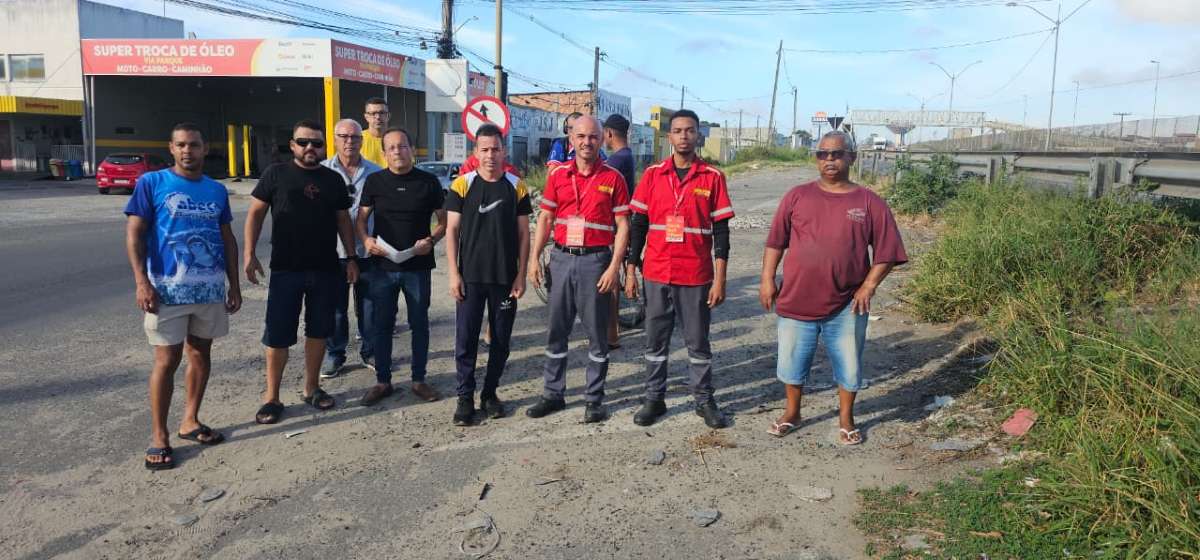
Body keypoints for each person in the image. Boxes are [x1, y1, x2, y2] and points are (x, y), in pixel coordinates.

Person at [759, 131, 908, 445]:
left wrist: (868, 286)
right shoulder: (797, 196)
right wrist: (767, 278)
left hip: (846, 303)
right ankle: (792, 412)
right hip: (796, 298)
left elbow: (888, 252)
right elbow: (776, 242)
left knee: (850, 363)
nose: (829, 160)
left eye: (837, 153)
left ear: (851, 157)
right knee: (791, 362)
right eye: (822, 154)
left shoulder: (869, 202)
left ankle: (846, 418)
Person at [124, 123, 241, 470]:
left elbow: (227, 238)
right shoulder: (152, 183)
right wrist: (141, 282)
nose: (188, 151)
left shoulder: (217, 191)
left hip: (208, 290)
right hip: (166, 290)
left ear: (205, 149)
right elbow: (135, 234)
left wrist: (233, 285)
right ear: (171, 149)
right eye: (181, 145)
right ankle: (159, 436)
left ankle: (190, 420)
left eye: (194, 144)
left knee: (201, 354)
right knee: (166, 360)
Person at [626, 109, 735, 429]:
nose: (684, 136)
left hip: (696, 275)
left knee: (698, 342)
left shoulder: (712, 177)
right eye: (677, 130)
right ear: (669, 136)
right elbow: (638, 225)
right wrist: (631, 269)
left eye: (690, 130)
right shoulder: (652, 175)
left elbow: (721, 233)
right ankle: (654, 398)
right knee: (654, 342)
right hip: (657, 272)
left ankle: (703, 400)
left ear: (698, 135)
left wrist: (720, 279)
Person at [244, 120, 358, 424]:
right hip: (285, 269)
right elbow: (255, 213)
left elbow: (343, 220)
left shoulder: (333, 180)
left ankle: (312, 388)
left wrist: (350, 257)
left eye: (317, 143)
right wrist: (249, 253)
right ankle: (272, 397)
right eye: (303, 142)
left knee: (319, 331)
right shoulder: (275, 174)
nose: (310, 148)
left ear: (324, 147)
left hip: (325, 268)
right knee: (278, 335)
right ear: (292, 145)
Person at [526, 115, 631, 423]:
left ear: (602, 139)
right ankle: (552, 394)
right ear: (571, 139)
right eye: (581, 136)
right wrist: (534, 259)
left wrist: (615, 267)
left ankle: (594, 399)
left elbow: (623, 226)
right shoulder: (557, 176)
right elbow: (545, 219)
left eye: (593, 137)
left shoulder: (613, 178)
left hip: (595, 262)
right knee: (556, 331)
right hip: (560, 259)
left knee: (597, 335)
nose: (587, 142)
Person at [444, 123, 532, 426]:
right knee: (466, 340)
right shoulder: (462, 185)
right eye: (484, 149)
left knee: (501, 342)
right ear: (475, 152)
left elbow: (524, 235)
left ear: (503, 151)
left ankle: (490, 393)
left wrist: (521, 275)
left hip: (505, 280)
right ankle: (465, 397)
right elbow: (452, 231)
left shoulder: (515, 186)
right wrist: (453, 274)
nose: (490, 155)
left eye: (496, 149)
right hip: (470, 278)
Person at [358, 127, 448, 405]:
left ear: (412, 149)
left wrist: (431, 240)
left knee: (419, 324)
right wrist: (365, 240)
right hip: (382, 267)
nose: (398, 151)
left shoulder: (429, 182)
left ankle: (419, 380)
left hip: (417, 266)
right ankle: (383, 381)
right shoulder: (374, 182)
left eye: (403, 146)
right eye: (392, 148)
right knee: (381, 325)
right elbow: (360, 220)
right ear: (384, 153)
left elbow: (444, 222)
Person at [321, 119, 382, 378]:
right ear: (334, 139)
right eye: (343, 136)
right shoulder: (322, 171)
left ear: (361, 140)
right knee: (335, 308)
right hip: (333, 253)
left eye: (355, 137)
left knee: (369, 307)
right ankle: (335, 355)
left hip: (367, 251)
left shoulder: (376, 173)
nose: (349, 142)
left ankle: (370, 351)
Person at [602, 113, 637, 347]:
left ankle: (612, 332)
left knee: (611, 277)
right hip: (622, 222)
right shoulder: (627, 156)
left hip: (615, 226)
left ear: (609, 134)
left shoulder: (616, 161)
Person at [361, 97, 390, 167]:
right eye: (373, 113)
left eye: (382, 113)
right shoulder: (357, 139)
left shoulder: (398, 139)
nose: (378, 117)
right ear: (366, 117)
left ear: (388, 116)